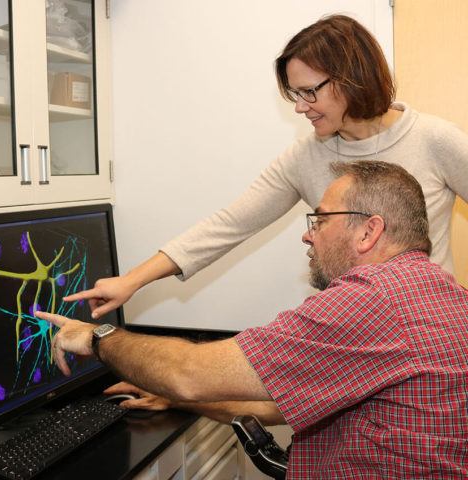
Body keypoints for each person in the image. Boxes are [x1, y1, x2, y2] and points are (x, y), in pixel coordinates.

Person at [37, 161, 468, 478]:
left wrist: (98, 336)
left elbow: (187, 372)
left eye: (319, 218)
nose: (308, 232)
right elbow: (275, 403)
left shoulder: (371, 300)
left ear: (368, 231)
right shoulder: (438, 290)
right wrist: (178, 398)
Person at [64, 14, 468, 321]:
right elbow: (228, 224)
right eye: (295, 93)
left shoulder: (435, 139)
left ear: (353, 80)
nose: (299, 106)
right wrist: (131, 281)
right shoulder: (306, 155)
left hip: (423, 329)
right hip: (349, 333)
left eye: (310, 91)